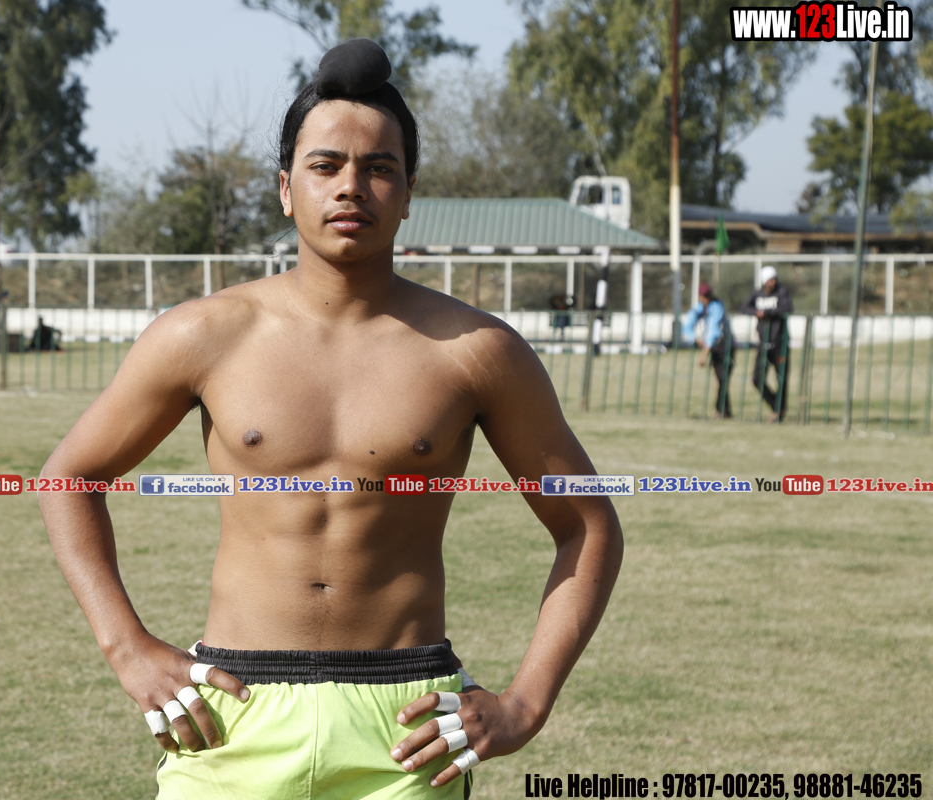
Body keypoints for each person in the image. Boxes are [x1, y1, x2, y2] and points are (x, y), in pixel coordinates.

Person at [39, 39, 622, 800]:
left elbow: (588, 526)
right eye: (325, 166)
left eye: (379, 168)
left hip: (406, 730)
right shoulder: (204, 334)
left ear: (408, 192)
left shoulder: (479, 352)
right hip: (234, 715)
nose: (352, 187)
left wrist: (525, 704)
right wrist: (126, 647)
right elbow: (68, 477)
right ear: (286, 189)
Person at [739, 266, 793, 422]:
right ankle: (777, 406)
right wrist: (757, 312)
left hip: (780, 343)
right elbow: (744, 307)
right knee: (757, 379)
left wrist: (768, 312)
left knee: (781, 378)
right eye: (770, 279)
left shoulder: (782, 292)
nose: (772, 282)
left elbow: (787, 308)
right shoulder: (757, 294)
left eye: (774, 279)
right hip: (763, 342)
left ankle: (779, 412)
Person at [682, 283, 735, 418]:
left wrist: (704, 354)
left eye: (706, 296)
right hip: (713, 348)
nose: (704, 298)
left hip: (726, 347)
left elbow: (714, 331)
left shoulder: (717, 307)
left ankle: (721, 410)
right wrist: (695, 339)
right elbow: (687, 326)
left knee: (723, 379)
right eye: (702, 296)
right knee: (721, 380)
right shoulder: (699, 308)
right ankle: (725, 411)